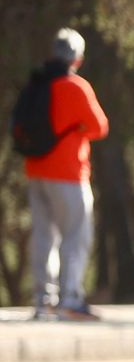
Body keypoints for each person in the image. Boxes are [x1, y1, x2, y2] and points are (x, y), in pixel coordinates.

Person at [19, 28, 109, 320]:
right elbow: (99, 127)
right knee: (75, 235)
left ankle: (43, 301)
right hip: (69, 172)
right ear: (78, 59)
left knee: (44, 236)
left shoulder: (36, 84)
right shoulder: (75, 86)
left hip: (36, 169)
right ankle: (70, 299)